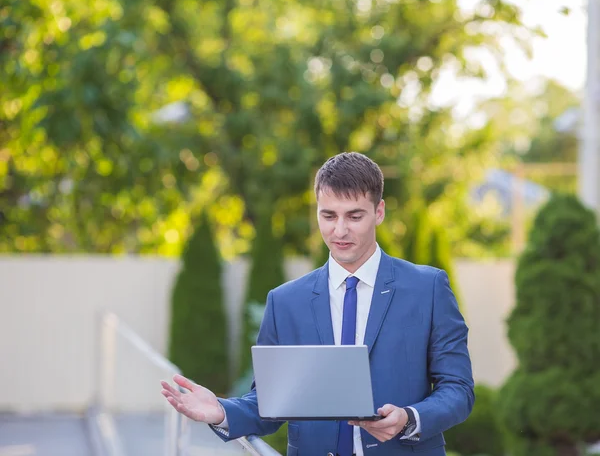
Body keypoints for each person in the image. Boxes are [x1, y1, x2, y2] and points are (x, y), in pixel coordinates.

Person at [161, 152, 474, 456]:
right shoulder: (284, 302)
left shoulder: (427, 288)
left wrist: (409, 418)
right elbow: (270, 402)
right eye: (328, 215)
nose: (339, 230)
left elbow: (458, 389)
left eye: (354, 215)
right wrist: (221, 410)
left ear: (379, 212)